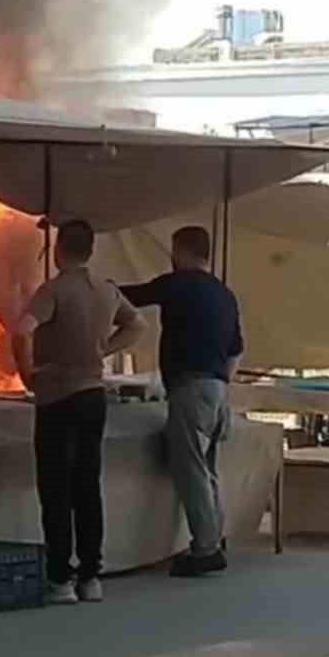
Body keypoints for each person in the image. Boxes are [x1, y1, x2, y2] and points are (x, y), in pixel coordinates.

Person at [13, 220, 144, 605]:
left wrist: (27, 374)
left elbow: (22, 330)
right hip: (93, 396)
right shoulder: (106, 291)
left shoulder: (52, 291)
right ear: (91, 250)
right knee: (88, 484)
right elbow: (139, 325)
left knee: (56, 487)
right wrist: (103, 350)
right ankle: (91, 575)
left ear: (57, 249)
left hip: (56, 398)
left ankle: (60, 578)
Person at [120, 225, 244, 579]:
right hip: (218, 390)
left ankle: (205, 549)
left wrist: (92, 287)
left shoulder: (177, 283)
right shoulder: (224, 294)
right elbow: (236, 349)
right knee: (208, 470)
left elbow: (133, 295)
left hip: (191, 389)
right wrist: (218, 384)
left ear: (182, 251)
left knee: (190, 469)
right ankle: (215, 538)